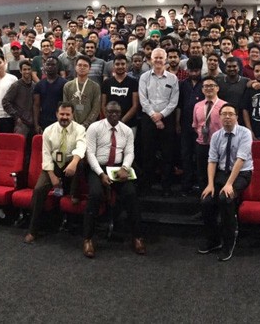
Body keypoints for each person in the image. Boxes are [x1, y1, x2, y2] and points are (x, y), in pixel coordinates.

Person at [82, 101, 145, 258]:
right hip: (98, 168)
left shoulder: (126, 130)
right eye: (110, 112)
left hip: (118, 168)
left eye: (116, 112)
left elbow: (130, 152)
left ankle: (137, 237)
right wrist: (100, 174)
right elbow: (89, 153)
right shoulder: (94, 127)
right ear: (105, 112)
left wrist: (125, 168)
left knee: (131, 194)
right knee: (95, 195)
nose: (113, 115)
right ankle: (88, 239)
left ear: (120, 112)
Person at [198, 103, 253, 262]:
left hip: (242, 173)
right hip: (223, 172)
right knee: (206, 200)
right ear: (220, 117)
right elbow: (212, 161)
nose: (227, 117)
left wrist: (229, 184)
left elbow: (241, 160)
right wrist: (210, 184)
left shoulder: (245, 133)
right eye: (224, 114)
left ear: (236, 117)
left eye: (231, 114)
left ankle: (228, 242)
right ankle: (213, 239)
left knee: (225, 198)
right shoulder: (216, 136)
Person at [24, 102, 86, 244]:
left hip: (71, 163)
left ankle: (74, 193)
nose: (64, 117)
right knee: (39, 189)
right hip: (53, 165)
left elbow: (81, 146)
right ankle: (33, 230)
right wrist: (52, 176)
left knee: (80, 162)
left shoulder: (80, 129)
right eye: (62, 114)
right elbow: (46, 155)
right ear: (56, 114)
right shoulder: (48, 130)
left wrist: (74, 162)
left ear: (72, 115)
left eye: (67, 114)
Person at [138, 48, 179, 196]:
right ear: (151, 59)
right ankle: (148, 185)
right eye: (155, 58)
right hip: (148, 119)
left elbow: (173, 101)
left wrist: (161, 115)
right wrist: (154, 116)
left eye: (161, 58)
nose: (158, 60)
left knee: (168, 154)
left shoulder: (173, 79)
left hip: (167, 119)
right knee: (148, 153)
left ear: (166, 59)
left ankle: (166, 186)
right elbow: (143, 99)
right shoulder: (144, 77)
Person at [177, 57, 204, 195]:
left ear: (200, 70)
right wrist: (177, 123)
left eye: (196, 71)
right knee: (186, 155)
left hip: (201, 127)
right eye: (191, 71)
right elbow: (179, 106)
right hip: (185, 124)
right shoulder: (182, 84)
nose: (193, 74)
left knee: (199, 156)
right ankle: (186, 185)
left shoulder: (205, 83)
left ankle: (200, 185)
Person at [63, 55, 102, 128]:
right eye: (79, 65)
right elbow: (66, 107)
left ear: (89, 68)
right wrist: (74, 124)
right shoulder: (68, 86)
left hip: (90, 127)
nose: (82, 67)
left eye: (85, 66)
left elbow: (96, 109)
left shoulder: (95, 87)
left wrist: (86, 124)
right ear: (75, 67)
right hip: (71, 125)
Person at [33, 57, 68, 133]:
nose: (50, 67)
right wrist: (36, 124)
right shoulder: (39, 85)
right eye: (48, 64)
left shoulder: (65, 83)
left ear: (57, 66)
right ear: (44, 66)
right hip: (44, 121)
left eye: (53, 65)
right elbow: (36, 105)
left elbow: (67, 105)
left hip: (60, 121)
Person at [2, 61, 35, 138]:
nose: (27, 71)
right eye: (24, 69)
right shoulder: (16, 86)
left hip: (33, 122)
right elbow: (5, 101)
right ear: (20, 71)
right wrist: (16, 116)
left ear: (31, 70)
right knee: (19, 146)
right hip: (21, 123)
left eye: (29, 69)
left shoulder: (35, 86)